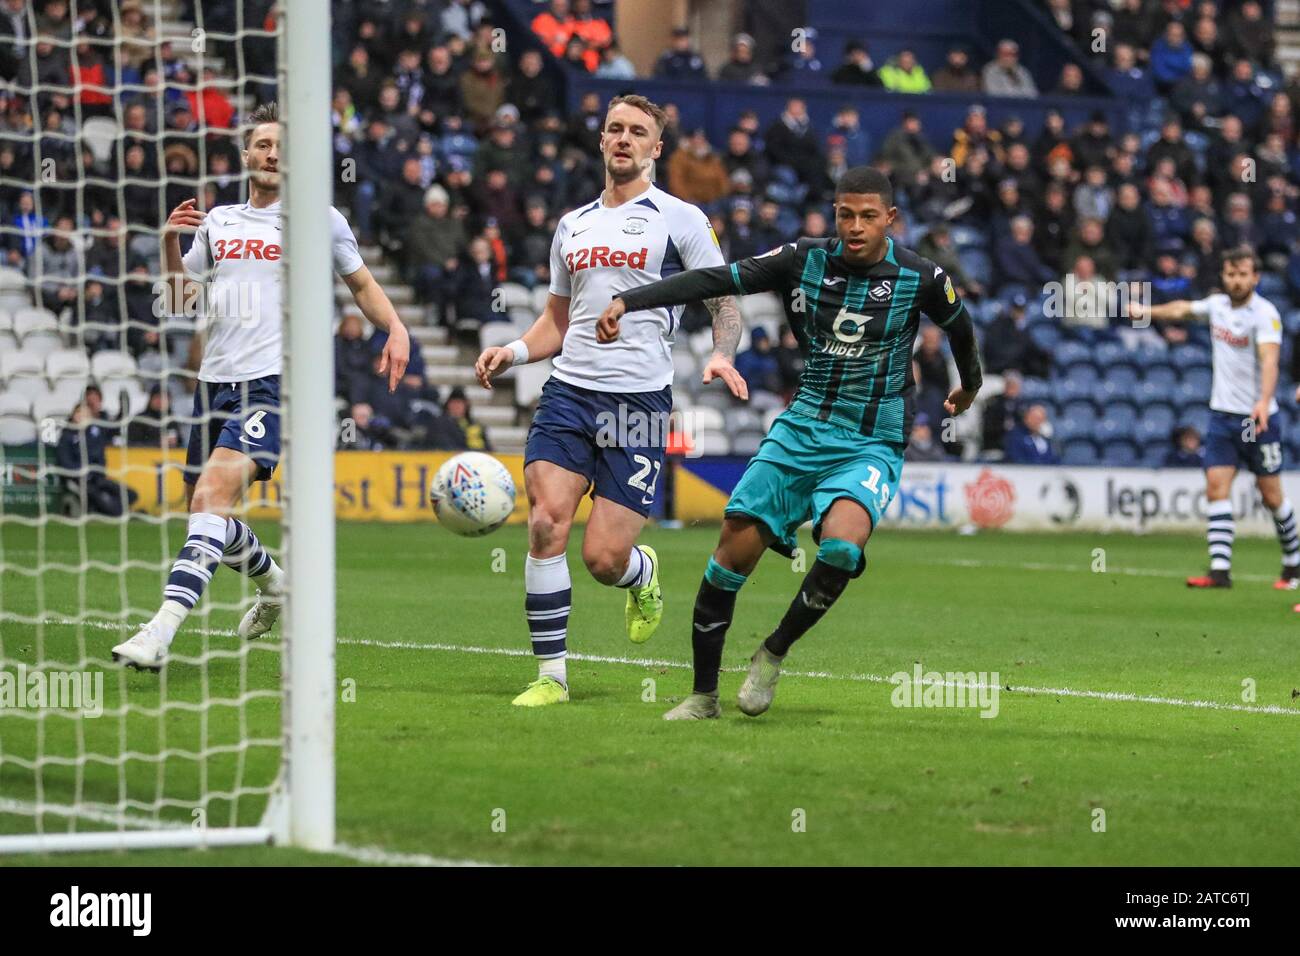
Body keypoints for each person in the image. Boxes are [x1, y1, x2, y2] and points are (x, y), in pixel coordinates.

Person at [598, 166, 982, 719]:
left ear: (890, 220)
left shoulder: (920, 277)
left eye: (868, 216)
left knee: (843, 549)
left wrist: (969, 387)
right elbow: (717, 280)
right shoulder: (802, 259)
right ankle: (704, 696)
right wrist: (629, 301)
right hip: (801, 428)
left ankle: (774, 651)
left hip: (871, 439)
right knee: (731, 556)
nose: (855, 226)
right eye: (845, 214)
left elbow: (961, 327)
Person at [111, 102, 410, 671]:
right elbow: (180, 300)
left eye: (283, 146)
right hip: (212, 383)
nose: (273, 154)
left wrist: (395, 328)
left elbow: (362, 284)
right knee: (209, 515)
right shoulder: (220, 221)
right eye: (264, 145)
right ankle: (276, 586)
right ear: (247, 155)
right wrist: (172, 243)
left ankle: (159, 632)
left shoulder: (319, 219)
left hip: (276, 384)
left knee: (208, 501)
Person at [473, 95, 745, 707]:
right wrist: (514, 352)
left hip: (637, 404)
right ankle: (552, 677)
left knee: (602, 558)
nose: (624, 139)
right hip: (569, 392)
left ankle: (639, 573)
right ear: (601, 142)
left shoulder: (681, 219)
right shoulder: (572, 225)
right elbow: (557, 319)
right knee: (545, 524)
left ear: (657, 148)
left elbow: (724, 300)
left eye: (638, 132)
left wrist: (721, 352)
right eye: (615, 129)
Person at [1131, 247, 1296, 590]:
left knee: (1271, 496)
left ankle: (1293, 563)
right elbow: (1182, 309)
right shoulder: (1217, 306)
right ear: (1223, 276)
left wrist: (1264, 402)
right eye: (1231, 274)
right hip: (1222, 416)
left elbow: (1270, 360)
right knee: (1216, 488)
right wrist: (1147, 311)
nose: (1236, 281)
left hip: (1255, 418)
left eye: (1243, 275)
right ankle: (1220, 571)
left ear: (1255, 277)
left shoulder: (1265, 314)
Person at [57, 401, 139, 516]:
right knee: (114, 509)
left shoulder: (96, 432)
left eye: (86, 414)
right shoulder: (67, 436)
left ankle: (97, 508)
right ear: (73, 415)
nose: (82, 417)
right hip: (79, 481)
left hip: (98, 479)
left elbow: (115, 427)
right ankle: (101, 508)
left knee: (132, 495)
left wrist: (123, 410)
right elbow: (65, 463)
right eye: (79, 413)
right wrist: (85, 472)